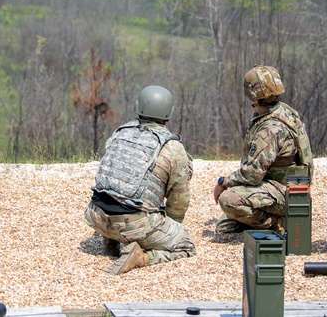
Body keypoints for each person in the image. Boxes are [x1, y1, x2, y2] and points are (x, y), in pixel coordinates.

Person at [84, 85, 196, 274]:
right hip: (132, 224)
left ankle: (111, 242)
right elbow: (179, 201)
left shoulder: (121, 132)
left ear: (138, 106)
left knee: (120, 192)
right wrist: (171, 227)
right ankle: (141, 258)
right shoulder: (172, 147)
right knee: (186, 245)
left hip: (96, 215)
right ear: (168, 113)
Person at [212, 64, 314, 235]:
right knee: (225, 225)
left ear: (253, 97)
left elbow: (253, 174)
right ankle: (263, 219)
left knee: (228, 200)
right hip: (288, 188)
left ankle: (277, 223)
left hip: (284, 192)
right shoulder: (284, 112)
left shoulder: (270, 129)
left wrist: (223, 182)